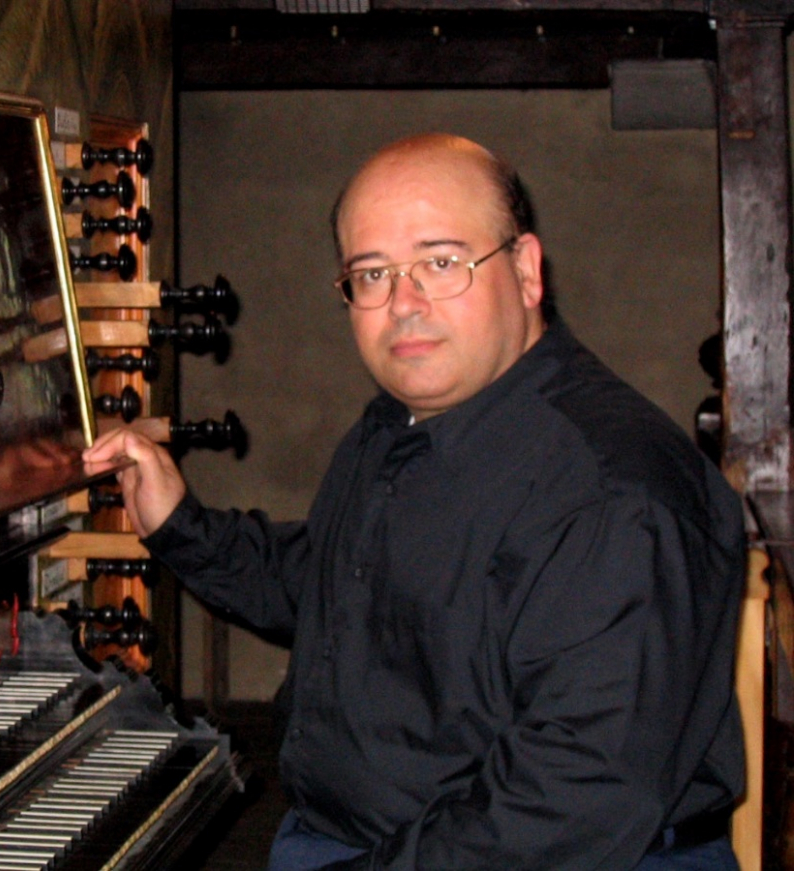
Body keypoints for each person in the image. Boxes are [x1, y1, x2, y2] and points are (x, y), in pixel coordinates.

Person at [84, 133, 745, 870]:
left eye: (440, 262)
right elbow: (334, 585)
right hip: (357, 838)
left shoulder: (616, 488)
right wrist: (179, 525)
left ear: (525, 271)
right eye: (371, 274)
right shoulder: (401, 424)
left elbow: (568, 803)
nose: (403, 302)